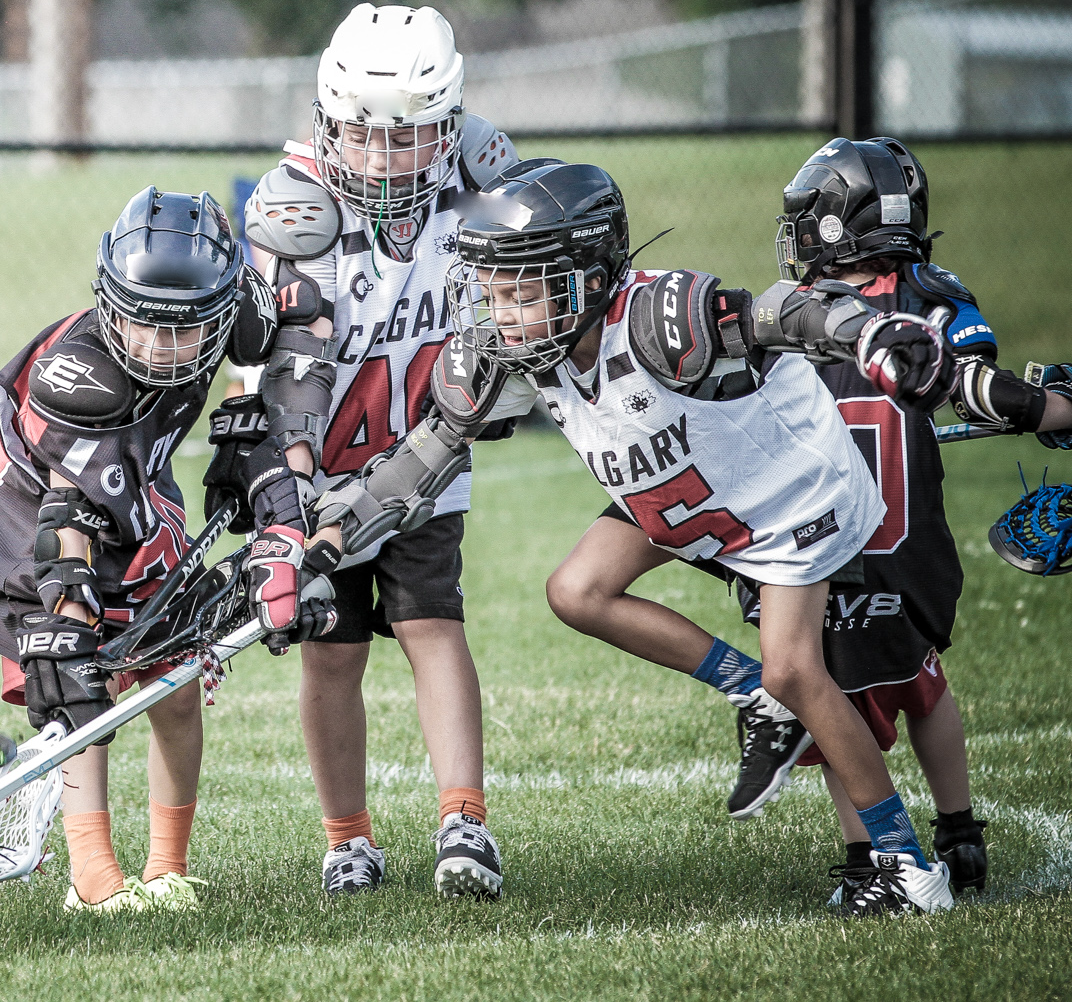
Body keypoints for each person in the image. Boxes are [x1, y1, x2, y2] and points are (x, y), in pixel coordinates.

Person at [326, 157, 961, 916]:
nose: (499, 312)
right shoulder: (519, 350)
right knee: (577, 589)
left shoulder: (663, 321)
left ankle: (905, 862)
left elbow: (782, 315)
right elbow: (422, 458)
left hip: (789, 494)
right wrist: (325, 542)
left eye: (520, 290)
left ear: (589, 279)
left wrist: (870, 329)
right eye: (492, 290)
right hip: (693, 493)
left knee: (795, 667)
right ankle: (750, 692)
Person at [656, 138, 1072, 898]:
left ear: (836, 225)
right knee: (923, 683)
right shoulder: (928, 294)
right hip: (911, 547)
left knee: (831, 701)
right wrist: (1052, 407)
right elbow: (979, 380)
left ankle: (867, 855)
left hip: (820, 547)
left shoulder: (798, 316)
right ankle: (960, 830)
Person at [240, 3, 520, 898]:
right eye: (362, 133)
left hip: (426, 453)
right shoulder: (297, 205)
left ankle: (464, 822)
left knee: (434, 625)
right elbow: (293, 378)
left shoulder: (480, 178)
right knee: (333, 652)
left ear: (449, 127)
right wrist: (290, 505)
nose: (384, 155)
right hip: (315, 465)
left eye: (410, 137)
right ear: (328, 120)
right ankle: (347, 837)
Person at [0, 187, 286, 914]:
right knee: (83, 685)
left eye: (183, 330)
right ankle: (91, 873)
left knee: (174, 683)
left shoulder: (233, 316)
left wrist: (250, 423)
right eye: (141, 321)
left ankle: (167, 865)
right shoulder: (83, 378)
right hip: (40, 516)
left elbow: (274, 345)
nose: (157, 344)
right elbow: (65, 517)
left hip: (138, 489)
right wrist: (68, 605)